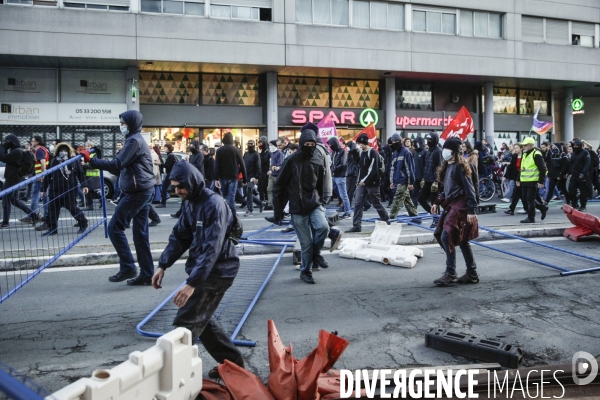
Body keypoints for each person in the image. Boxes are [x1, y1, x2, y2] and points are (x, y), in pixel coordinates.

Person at [151, 162, 244, 380]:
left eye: (179, 187)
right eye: (173, 187)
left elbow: (212, 248)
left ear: (191, 183)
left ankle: (176, 379)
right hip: (206, 270)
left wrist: (191, 283)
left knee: (185, 324)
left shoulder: (214, 204)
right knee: (203, 320)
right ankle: (234, 364)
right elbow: (179, 237)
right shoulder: (190, 203)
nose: (177, 192)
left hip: (219, 271)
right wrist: (163, 264)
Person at [89, 110, 156, 285]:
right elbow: (118, 168)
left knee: (114, 228)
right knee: (140, 235)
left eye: (124, 123)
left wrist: (92, 161)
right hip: (144, 189)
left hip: (138, 191)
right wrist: (97, 159)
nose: (121, 126)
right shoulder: (135, 140)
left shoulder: (134, 141)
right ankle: (147, 274)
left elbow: (117, 164)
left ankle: (128, 267)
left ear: (132, 123)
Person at [267, 124, 329, 284]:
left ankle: (316, 254)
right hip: (297, 206)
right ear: (301, 144)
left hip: (314, 202)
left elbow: (321, 181)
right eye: (307, 145)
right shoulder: (291, 160)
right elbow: (279, 187)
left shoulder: (317, 158)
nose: (310, 147)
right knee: (306, 242)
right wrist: (278, 212)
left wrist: (321, 198)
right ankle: (306, 271)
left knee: (323, 227)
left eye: (312, 145)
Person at [431, 137, 480, 286]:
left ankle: (451, 272)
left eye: (447, 149)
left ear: (453, 152)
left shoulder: (460, 167)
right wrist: (437, 202)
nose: (444, 151)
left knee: (446, 235)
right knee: (463, 239)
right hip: (453, 205)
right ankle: (472, 273)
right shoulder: (447, 166)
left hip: (461, 206)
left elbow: (470, 190)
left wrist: (471, 210)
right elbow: (446, 190)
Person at [37, 142, 88, 236]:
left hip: (69, 189)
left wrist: (84, 185)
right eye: (61, 150)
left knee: (72, 208)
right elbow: (48, 175)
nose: (63, 152)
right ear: (57, 151)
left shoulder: (72, 160)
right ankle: (53, 229)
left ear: (69, 151)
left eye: (65, 150)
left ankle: (83, 223)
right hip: (55, 189)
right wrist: (43, 189)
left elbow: (80, 173)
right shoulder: (54, 161)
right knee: (53, 210)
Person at [346, 134, 390, 233]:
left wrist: (364, 180)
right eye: (358, 144)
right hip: (362, 183)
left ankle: (386, 220)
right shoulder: (361, 152)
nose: (359, 146)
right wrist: (354, 153)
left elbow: (373, 169)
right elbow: (359, 166)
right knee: (358, 203)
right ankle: (356, 226)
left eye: (360, 144)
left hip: (372, 183)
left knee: (376, 203)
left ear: (365, 143)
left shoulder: (372, 152)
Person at [0, 135, 38, 228]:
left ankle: (5, 222)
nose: (5, 143)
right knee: (14, 200)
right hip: (15, 178)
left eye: (7, 141)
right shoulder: (17, 151)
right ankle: (33, 215)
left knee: (6, 201)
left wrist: (3, 147)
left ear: (11, 142)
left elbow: (2, 157)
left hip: (12, 179)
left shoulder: (16, 152)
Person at [388, 133, 420, 222]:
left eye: (396, 141)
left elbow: (410, 168)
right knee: (407, 200)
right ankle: (416, 217)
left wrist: (410, 182)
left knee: (397, 199)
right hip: (398, 180)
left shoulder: (406, 152)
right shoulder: (395, 153)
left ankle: (391, 218)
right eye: (393, 141)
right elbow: (392, 168)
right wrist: (392, 181)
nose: (394, 143)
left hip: (404, 180)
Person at [518, 137, 548, 223]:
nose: (524, 147)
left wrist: (540, 181)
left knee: (530, 200)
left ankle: (531, 218)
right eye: (523, 145)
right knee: (524, 199)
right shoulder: (524, 154)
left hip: (533, 180)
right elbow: (522, 168)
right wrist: (518, 179)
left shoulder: (536, 154)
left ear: (531, 145)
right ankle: (542, 208)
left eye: (526, 145)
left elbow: (542, 168)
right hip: (524, 180)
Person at [214, 133, 246, 212]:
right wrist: (244, 179)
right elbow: (242, 165)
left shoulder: (219, 150)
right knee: (231, 196)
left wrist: (216, 178)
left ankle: (223, 213)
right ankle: (233, 215)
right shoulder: (236, 150)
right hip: (233, 176)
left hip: (222, 176)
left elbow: (217, 165)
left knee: (223, 197)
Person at [419, 132, 443, 228]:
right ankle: (435, 215)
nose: (428, 141)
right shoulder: (428, 151)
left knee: (434, 202)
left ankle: (436, 220)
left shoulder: (438, 151)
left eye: (430, 140)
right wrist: (424, 179)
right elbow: (426, 166)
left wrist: (437, 182)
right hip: (427, 180)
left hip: (434, 181)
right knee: (421, 199)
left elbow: (439, 167)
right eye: (427, 140)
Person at [25, 136, 50, 224]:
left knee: (35, 195)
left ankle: (32, 216)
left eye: (33, 141)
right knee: (44, 196)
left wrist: (42, 174)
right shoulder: (44, 149)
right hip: (42, 175)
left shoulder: (39, 150)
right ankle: (47, 215)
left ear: (37, 142)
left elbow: (42, 161)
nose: (31, 142)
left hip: (39, 176)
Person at [327, 136, 351, 219]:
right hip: (334, 175)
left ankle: (347, 211)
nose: (329, 146)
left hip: (340, 175)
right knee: (337, 192)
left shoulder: (342, 152)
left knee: (343, 194)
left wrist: (333, 169)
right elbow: (331, 163)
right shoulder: (333, 152)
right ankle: (346, 209)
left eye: (330, 144)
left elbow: (343, 163)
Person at [566, 139, 590, 212]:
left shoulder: (585, 153)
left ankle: (583, 206)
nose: (575, 146)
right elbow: (571, 164)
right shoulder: (574, 154)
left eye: (577, 145)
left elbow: (587, 164)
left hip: (582, 175)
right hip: (574, 175)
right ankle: (574, 204)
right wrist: (568, 172)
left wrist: (583, 173)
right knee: (571, 190)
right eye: (574, 145)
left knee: (583, 192)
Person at [242, 139, 262, 217]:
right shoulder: (246, 154)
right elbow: (243, 165)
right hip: (246, 176)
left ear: (254, 145)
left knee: (249, 191)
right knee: (247, 193)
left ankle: (249, 210)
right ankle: (260, 203)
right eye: (249, 144)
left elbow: (258, 166)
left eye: (251, 144)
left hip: (252, 176)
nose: (250, 145)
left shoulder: (256, 154)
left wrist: (256, 177)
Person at [265, 137, 285, 210]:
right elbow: (271, 163)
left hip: (277, 175)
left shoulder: (279, 153)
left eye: (271, 145)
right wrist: (270, 169)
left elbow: (280, 164)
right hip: (271, 174)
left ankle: (277, 204)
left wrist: (274, 168)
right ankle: (270, 203)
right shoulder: (272, 153)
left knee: (277, 190)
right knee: (269, 189)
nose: (270, 147)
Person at [82, 141, 102, 211]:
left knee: (91, 191)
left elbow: (94, 165)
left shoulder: (94, 154)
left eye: (89, 146)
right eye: (86, 146)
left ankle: (91, 205)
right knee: (91, 191)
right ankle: (100, 201)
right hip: (88, 175)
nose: (87, 147)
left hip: (93, 175)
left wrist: (84, 165)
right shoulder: (85, 154)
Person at [157, 144, 177, 208]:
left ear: (168, 148)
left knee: (164, 187)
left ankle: (163, 203)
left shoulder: (170, 156)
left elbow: (167, 166)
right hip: (172, 173)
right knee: (174, 187)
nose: (164, 149)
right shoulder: (171, 155)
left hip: (170, 173)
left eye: (165, 148)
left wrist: (160, 164)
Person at [411, 137, 426, 208]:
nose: (414, 144)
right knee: (414, 194)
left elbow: (426, 166)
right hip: (415, 177)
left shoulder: (425, 152)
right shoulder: (416, 152)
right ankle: (414, 211)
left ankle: (430, 210)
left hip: (423, 178)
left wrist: (424, 177)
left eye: (415, 143)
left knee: (422, 196)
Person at [345, 140, 360, 206]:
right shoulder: (350, 153)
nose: (347, 147)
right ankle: (366, 203)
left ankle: (348, 205)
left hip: (352, 173)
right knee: (351, 190)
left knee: (350, 190)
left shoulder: (354, 153)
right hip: (351, 173)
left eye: (348, 146)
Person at [257, 136, 271, 203]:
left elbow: (263, 160)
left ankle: (263, 200)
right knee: (261, 186)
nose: (259, 144)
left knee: (263, 186)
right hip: (262, 171)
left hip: (265, 171)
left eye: (261, 142)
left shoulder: (267, 151)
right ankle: (263, 199)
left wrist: (259, 154)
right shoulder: (263, 151)